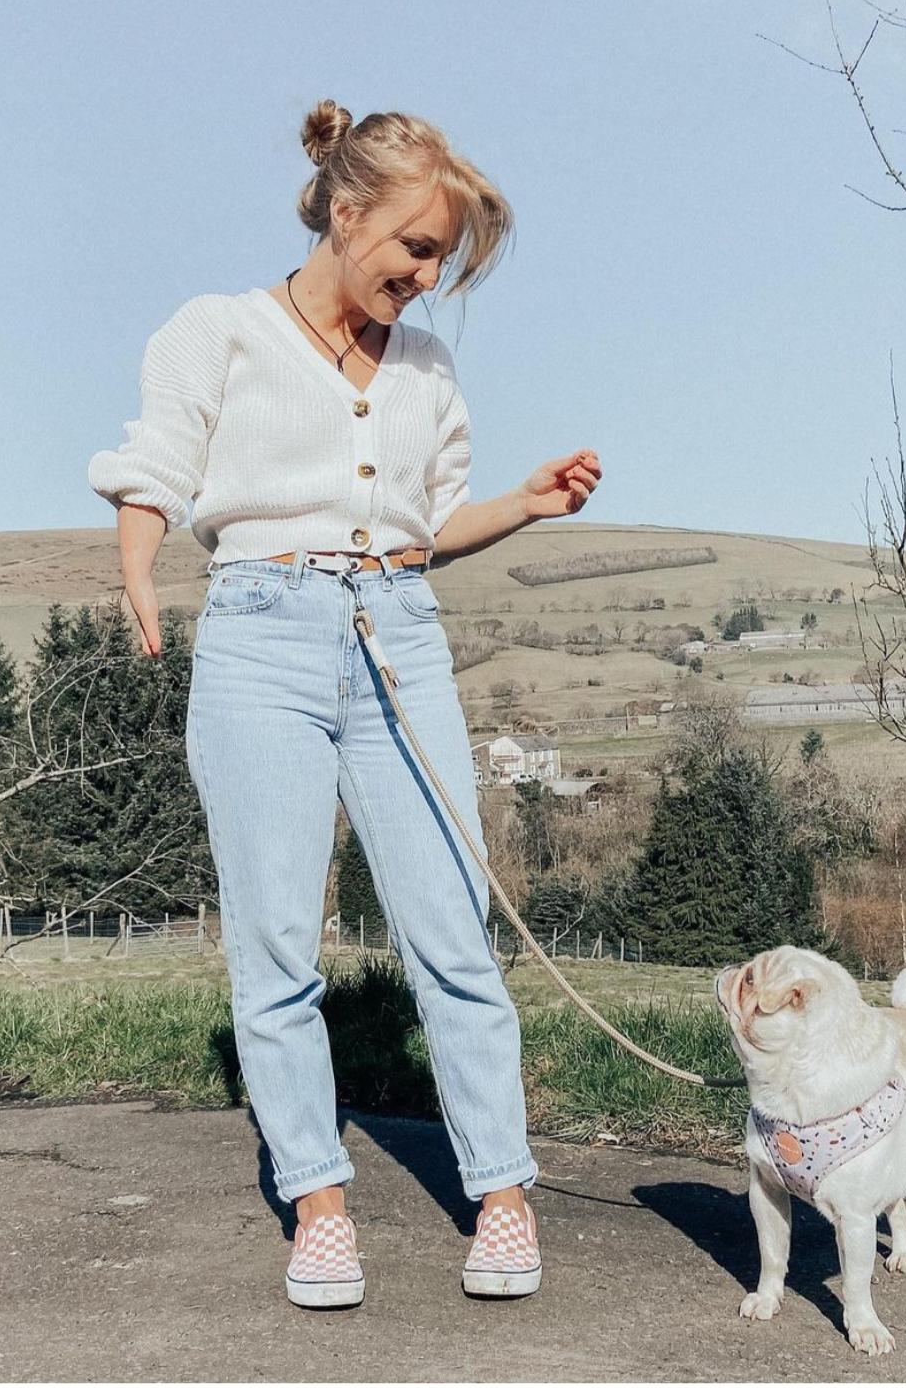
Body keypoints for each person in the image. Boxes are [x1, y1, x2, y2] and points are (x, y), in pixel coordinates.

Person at [87, 98, 602, 1309]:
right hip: (259, 638)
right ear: (347, 209)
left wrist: (525, 504)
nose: (425, 279)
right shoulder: (217, 331)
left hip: (399, 641)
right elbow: (156, 467)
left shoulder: (427, 368)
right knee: (276, 942)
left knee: (451, 928)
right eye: (416, 248)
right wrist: (137, 568)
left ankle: (504, 1193)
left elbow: (426, 528)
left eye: (443, 261)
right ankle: (318, 1202)